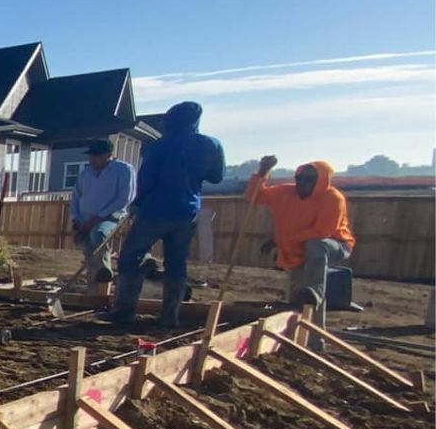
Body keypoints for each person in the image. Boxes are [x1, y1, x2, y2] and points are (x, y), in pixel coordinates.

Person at [105, 101, 223, 328]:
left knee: (131, 257)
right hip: (187, 212)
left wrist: (137, 204)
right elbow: (216, 177)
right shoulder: (211, 145)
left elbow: (146, 180)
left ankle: (124, 312)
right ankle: (170, 316)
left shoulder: (159, 146)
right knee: (176, 263)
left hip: (155, 210)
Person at [244, 155, 355, 308]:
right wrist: (262, 172)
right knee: (299, 299)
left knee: (316, 246)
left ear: (321, 180)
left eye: (309, 179)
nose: (302, 182)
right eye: (299, 177)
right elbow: (255, 196)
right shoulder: (286, 192)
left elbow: (322, 231)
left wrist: (281, 241)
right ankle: (304, 325)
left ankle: (315, 291)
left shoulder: (333, 198)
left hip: (336, 243)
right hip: (298, 247)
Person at [68, 138, 134, 282]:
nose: (92, 159)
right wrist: (75, 220)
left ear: (109, 155)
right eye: (91, 155)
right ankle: (94, 283)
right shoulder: (85, 174)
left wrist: (98, 217)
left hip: (111, 217)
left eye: (97, 156)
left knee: (99, 234)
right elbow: (75, 198)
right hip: (85, 219)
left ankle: (104, 270)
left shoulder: (123, 170)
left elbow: (124, 198)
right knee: (87, 247)